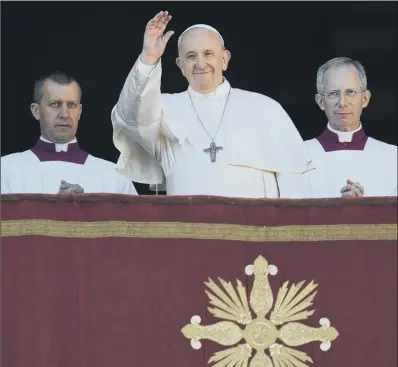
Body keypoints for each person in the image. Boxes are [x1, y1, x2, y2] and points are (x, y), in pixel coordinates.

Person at [111, 11, 313, 198]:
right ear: (180, 66)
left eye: (208, 54)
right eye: (191, 56)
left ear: (224, 59)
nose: (200, 63)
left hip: (255, 232)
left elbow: (294, 179)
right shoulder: (164, 108)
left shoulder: (264, 108)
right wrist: (149, 58)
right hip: (189, 232)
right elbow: (129, 117)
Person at [1, 72, 138, 195]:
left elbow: (135, 223)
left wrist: (87, 207)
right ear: (36, 111)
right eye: (55, 104)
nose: (65, 115)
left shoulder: (115, 176)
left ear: (79, 111)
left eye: (71, 105)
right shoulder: (6, 170)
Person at [305, 57, 397, 198]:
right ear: (320, 102)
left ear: (365, 99)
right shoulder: (300, 156)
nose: (342, 102)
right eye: (333, 94)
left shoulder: (392, 157)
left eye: (351, 92)